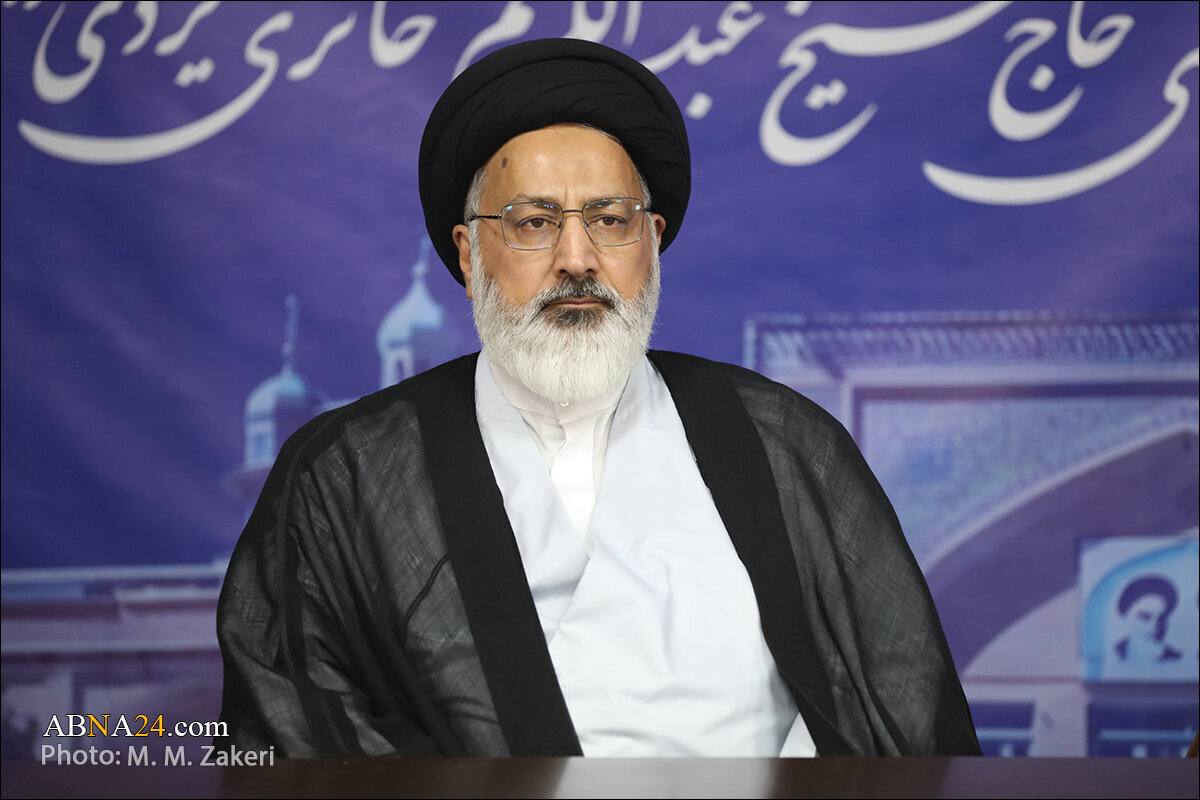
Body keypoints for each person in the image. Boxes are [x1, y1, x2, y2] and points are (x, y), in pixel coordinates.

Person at [216, 38, 980, 758]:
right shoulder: (346, 474)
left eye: (611, 221)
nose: (576, 259)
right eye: (533, 223)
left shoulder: (782, 442)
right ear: (468, 253)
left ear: (652, 241)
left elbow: (907, 709)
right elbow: (296, 729)